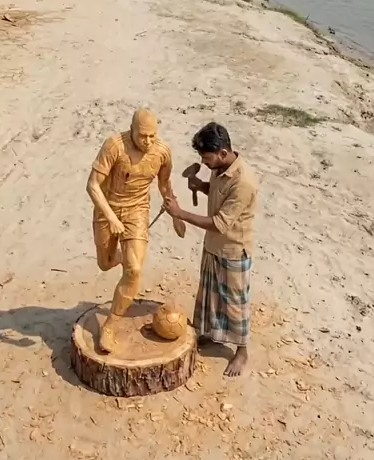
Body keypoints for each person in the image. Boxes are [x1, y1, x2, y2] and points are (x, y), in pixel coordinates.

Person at [86, 109, 185, 353]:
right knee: (105, 264)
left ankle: (110, 326)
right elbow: (92, 186)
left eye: (152, 136)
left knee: (135, 270)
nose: (148, 141)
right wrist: (111, 217)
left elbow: (164, 185)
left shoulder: (162, 152)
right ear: (131, 130)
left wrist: (176, 214)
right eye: (142, 136)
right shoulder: (114, 146)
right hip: (107, 208)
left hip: (137, 211)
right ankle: (120, 256)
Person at [163, 122, 258, 377]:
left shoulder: (243, 182)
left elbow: (219, 223)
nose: (204, 164)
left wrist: (180, 213)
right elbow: (218, 194)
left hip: (233, 249)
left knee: (235, 303)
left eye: (206, 159)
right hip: (214, 246)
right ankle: (213, 334)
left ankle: (241, 351)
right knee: (211, 295)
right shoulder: (220, 168)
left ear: (223, 153)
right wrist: (200, 185)